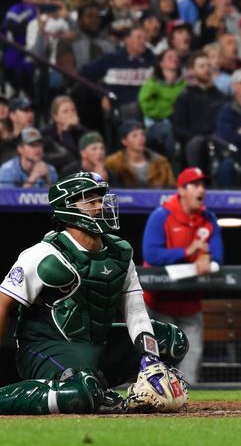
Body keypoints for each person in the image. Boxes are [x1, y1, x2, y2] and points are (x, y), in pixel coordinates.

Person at [0, 172, 188, 414]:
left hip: (97, 346)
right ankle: (79, 390)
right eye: (89, 201)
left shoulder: (119, 252)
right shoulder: (44, 255)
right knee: (80, 394)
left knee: (171, 341)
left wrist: (150, 359)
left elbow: (135, 310)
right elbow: (3, 303)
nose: (99, 206)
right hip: (47, 348)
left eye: (100, 199)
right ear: (67, 208)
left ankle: (101, 389)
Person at [142, 167, 223, 385]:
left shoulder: (208, 218)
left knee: (189, 374)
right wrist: (187, 252)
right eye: (196, 185)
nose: (202, 190)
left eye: (203, 185)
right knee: (159, 371)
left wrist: (209, 259)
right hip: (159, 305)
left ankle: (189, 416)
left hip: (190, 306)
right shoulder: (162, 216)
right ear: (181, 190)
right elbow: (151, 254)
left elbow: (218, 255)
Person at [105, 121, 176, 188]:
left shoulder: (161, 163)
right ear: (124, 141)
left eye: (142, 134)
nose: (140, 138)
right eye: (135, 135)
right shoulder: (113, 164)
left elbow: (171, 188)